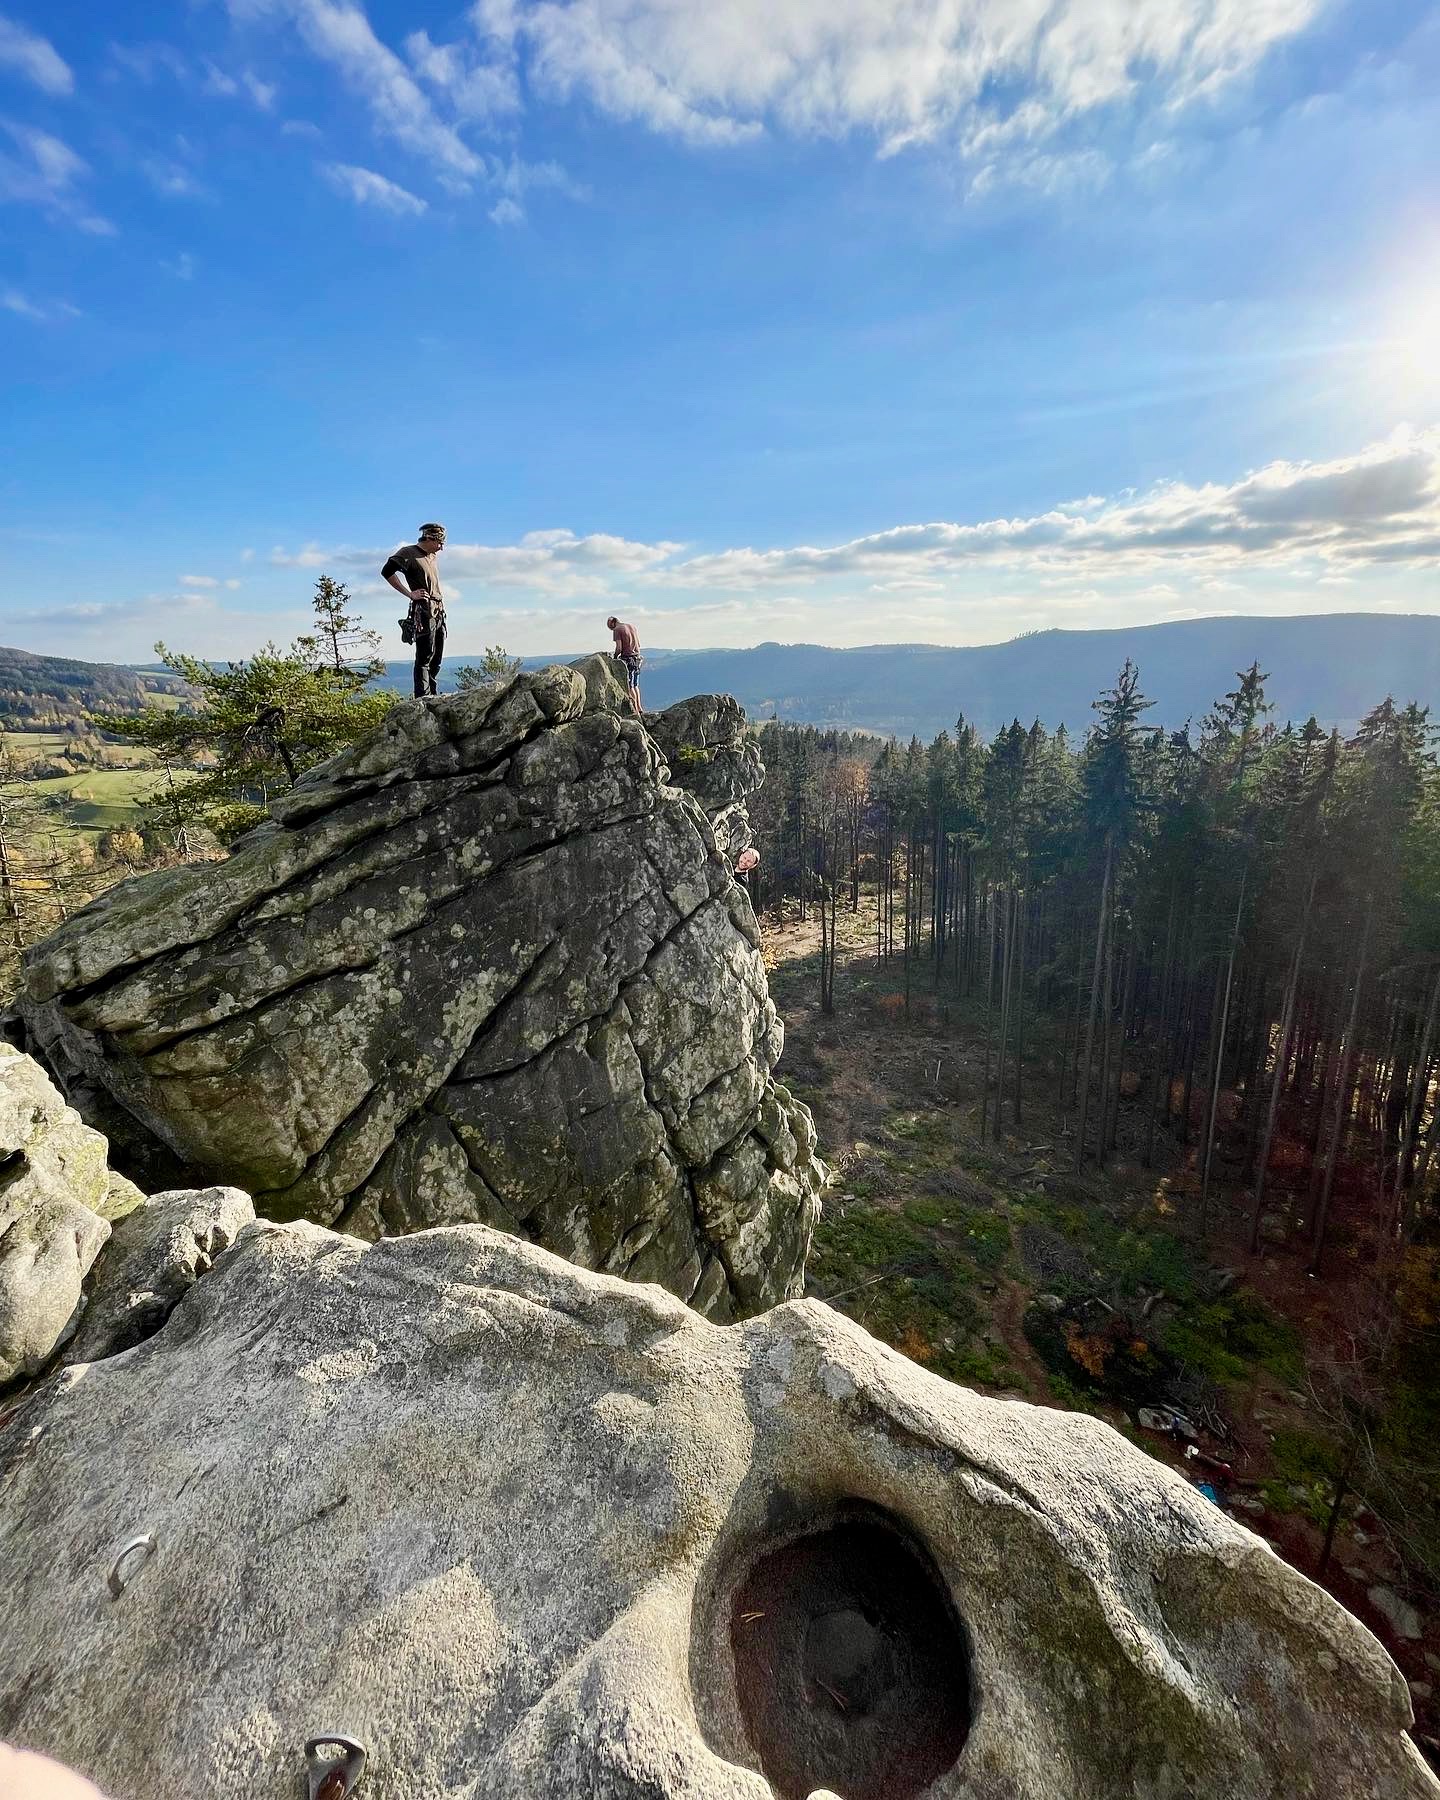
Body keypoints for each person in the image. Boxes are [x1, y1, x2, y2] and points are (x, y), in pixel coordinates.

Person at [383, 523, 447, 698]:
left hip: (438, 610)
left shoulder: (432, 556)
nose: (441, 548)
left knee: (436, 658)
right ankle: (423, 698)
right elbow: (387, 571)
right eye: (439, 543)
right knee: (424, 657)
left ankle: (433, 695)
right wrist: (410, 594)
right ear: (429, 538)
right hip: (424, 612)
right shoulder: (408, 553)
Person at [607, 616, 643, 714]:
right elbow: (638, 644)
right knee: (635, 685)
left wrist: (615, 657)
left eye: (610, 627)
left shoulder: (617, 630)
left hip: (628, 659)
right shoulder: (632, 626)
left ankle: (635, 711)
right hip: (637, 658)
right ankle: (639, 708)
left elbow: (619, 648)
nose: (611, 629)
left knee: (629, 686)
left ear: (613, 623)